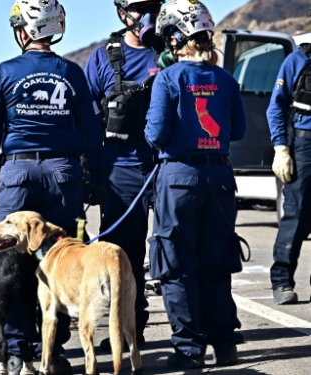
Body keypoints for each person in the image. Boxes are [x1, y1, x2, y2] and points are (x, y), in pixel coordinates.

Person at [0, 1, 103, 374]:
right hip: (63, 172)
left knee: (10, 263)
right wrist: (91, 177)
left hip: (17, 173)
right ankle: (56, 349)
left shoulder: (5, 72)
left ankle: (18, 350)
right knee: (62, 259)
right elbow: (90, 132)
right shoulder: (72, 73)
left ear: (23, 31)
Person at [144, 0, 247, 369]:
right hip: (219, 176)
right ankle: (224, 345)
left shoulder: (167, 79)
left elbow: (155, 134)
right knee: (217, 262)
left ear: (176, 37)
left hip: (179, 178)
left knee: (176, 266)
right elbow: (238, 130)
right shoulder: (227, 79)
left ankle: (189, 352)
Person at [83, 0, 163, 351]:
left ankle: (193, 334)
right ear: (122, 13)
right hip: (121, 173)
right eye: (139, 7)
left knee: (176, 251)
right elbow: (85, 118)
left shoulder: (170, 52)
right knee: (121, 256)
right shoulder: (102, 58)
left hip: (166, 168)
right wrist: (87, 172)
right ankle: (127, 332)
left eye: (152, 6)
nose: (147, 15)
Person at [268, 6, 311, 305]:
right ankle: (282, 282)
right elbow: (276, 106)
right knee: (296, 215)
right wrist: (281, 147)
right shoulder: (297, 59)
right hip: (304, 142)